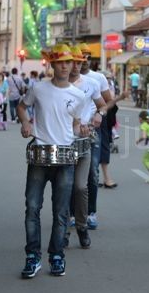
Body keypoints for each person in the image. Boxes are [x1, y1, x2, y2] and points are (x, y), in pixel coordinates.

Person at [16, 43, 87, 278]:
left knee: (61, 212)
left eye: (69, 62)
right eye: (60, 62)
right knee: (32, 208)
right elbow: (22, 107)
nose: (65, 66)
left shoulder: (78, 96)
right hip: (39, 155)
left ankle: (57, 256)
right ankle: (32, 256)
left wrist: (82, 130)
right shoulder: (38, 88)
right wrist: (26, 123)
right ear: (52, 64)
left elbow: (76, 126)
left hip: (65, 158)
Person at [79, 43, 127, 229]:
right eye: (80, 57)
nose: (83, 61)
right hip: (70, 130)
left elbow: (107, 103)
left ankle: (91, 212)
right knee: (70, 173)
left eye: (87, 57)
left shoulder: (97, 78)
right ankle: (72, 213)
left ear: (91, 60)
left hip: (92, 129)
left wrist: (100, 114)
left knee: (92, 172)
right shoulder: (68, 77)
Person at [66, 45, 107, 249]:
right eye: (72, 61)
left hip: (84, 141)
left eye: (79, 62)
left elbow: (103, 104)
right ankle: (63, 228)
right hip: (62, 141)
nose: (75, 66)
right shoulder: (56, 85)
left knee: (81, 186)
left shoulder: (91, 83)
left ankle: (82, 226)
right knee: (64, 186)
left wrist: (100, 114)